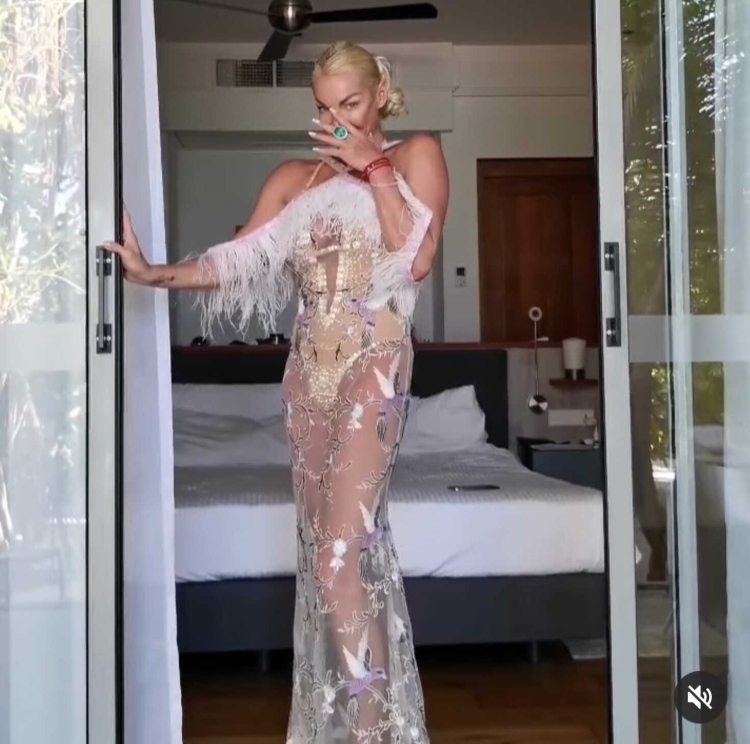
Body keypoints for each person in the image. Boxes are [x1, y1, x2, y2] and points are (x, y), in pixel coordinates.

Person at [105, 40, 449, 744]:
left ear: (381, 94)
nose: (337, 119)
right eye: (324, 107)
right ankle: (344, 724)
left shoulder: (416, 155)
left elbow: (414, 257)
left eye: (350, 103)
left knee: (341, 557)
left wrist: (373, 166)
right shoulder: (295, 177)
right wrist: (150, 273)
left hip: (375, 366)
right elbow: (231, 264)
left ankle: (371, 734)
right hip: (306, 379)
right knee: (327, 561)